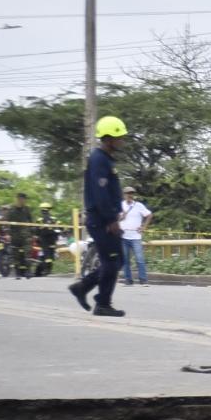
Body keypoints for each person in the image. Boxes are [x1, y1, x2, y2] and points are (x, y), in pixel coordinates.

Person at [68, 116, 129, 317]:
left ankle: (85, 289)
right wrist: (111, 220)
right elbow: (100, 194)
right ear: (109, 139)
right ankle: (101, 302)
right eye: (119, 137)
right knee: (113, 261)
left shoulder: (105, 159)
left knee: (113, 261)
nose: (122, 141)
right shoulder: (99, 160)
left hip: (105, 219)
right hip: (101, 220)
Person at [118, 186, 153, 287]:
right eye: (128, 193)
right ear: (124, 195)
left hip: (136, 236)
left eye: (131, 193)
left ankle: (143, 280)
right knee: (125, 260)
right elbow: (114, 219)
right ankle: (128, 281)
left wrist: (144, 227)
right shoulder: (120, 205)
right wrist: (121, 217)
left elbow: (149, 215)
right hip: (123, 236)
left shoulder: (138, 205)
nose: (130, 195)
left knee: (140, 259)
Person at [7, 193, 33, 279]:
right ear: (17, 199)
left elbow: (31, 221)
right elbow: (7, 222)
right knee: (15, 255)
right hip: (15, 235)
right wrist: (8, 234)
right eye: (21, 199)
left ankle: (28, 271)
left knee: (27, 254)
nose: (23, 201)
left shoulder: (27, 209)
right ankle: (17, 272)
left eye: (24, 199)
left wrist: (32, 233)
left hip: (25, 235)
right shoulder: (11, 209)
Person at [34, 202, 61, 277]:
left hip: (43, 240)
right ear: (49, 210)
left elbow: (36, 231)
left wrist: (37, 238)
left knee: (46, 255)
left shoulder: (39, 220)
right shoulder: (54, 219)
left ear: (42, 210)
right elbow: (60, 228)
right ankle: (48, 270)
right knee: (50, 255)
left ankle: (46, 270)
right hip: (52, 240)